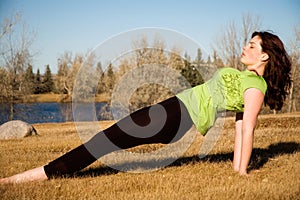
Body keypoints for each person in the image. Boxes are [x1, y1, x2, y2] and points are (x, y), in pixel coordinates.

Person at [0, 31, 292, 183]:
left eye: (253, 45)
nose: (246, 47)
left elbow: (246, 129)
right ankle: (37, 174)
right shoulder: (244, 79)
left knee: (101, 142)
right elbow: (240, 126)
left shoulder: (255, 88)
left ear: (265, 56)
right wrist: (237, 167)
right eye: (248, 42)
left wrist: (240, 172)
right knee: (104, 141)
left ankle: (30, 177)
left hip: (175, 118)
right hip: (171, 111)